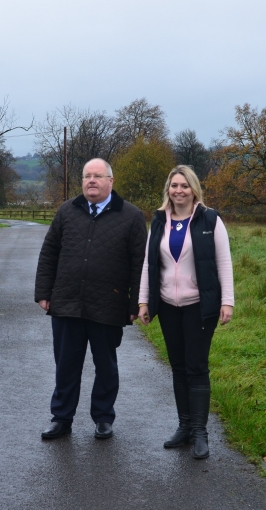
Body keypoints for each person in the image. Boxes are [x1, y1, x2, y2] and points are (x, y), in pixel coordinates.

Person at [35, 158, 147, 440]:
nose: (92, 181)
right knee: (66, 365)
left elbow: (140, 265)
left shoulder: (131, 216)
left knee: (106, 365)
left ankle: (103, 418)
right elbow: (49, 254)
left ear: (111, 181)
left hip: (109, 304)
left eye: (98, 176)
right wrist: (44, 293)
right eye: (87, 176)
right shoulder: (66, 211)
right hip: (67, 302)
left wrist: (135, 303)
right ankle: (61, 418)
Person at [137, 165, 234, 459]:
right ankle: (184, 427)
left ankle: (201, 432)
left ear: (194, 189)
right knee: (178, 367)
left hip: (199, 307)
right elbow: (148, 264)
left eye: (184, 186)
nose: (179, 191)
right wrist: (143, 301)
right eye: (174, 185)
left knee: (197, 367)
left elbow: (224, 262)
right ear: (168, 189)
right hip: (168, 306)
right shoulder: (158, 222)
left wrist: (227, 301)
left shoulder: (210, 219)